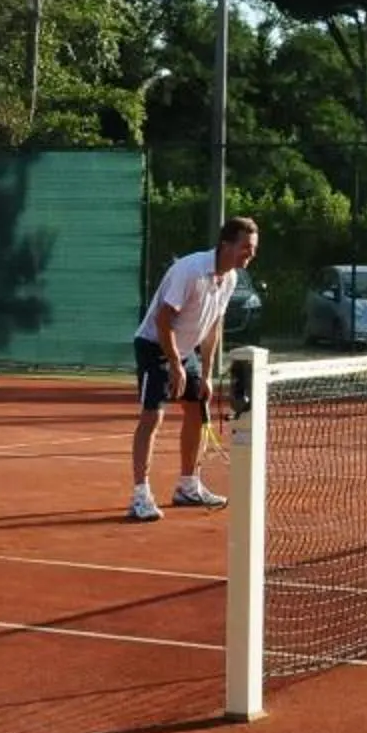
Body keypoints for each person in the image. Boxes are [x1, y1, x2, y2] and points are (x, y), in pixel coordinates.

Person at [127, 215, 261, 522]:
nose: (250, 254)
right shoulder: (190, 270)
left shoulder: (230, 278)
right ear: (226, 244)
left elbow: (214, 325)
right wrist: (174, 364)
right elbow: (163, 320)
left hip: (186, 350)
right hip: (154, 345)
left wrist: (208, 373)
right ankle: (140, 495)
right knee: (152, 416)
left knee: (197, 407)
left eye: (253, 249)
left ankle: (188, 486)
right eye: (245, 247)